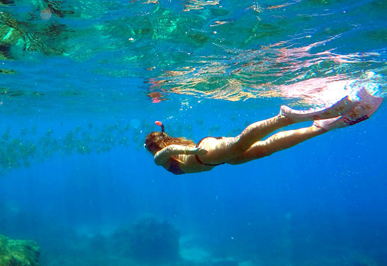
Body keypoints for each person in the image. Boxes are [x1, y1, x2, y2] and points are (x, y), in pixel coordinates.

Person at [144, 88, 383, 175]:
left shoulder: (158, 160)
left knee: (240, 143)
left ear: (153, 147)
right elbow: (172, 146)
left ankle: (284, 118)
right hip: (216, 159)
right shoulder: (165, 153)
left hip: (204, 153)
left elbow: (171, 150)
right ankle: (322, 127)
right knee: (264, 150)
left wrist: (194, 149)